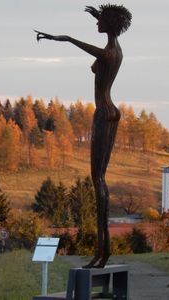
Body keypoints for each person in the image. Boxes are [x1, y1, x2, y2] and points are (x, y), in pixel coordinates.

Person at [35, 4, 132, 268]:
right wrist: (96, 15)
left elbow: (76, 43)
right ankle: (104, 249)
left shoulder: (107, 53)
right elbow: (105, 36)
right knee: (101, 181)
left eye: (100, 21)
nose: (96, 25)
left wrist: (60, 38)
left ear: (109, 25)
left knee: (97, 179)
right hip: (112, 111)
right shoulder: (117, 49)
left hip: (103, 112)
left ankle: (103, 250)